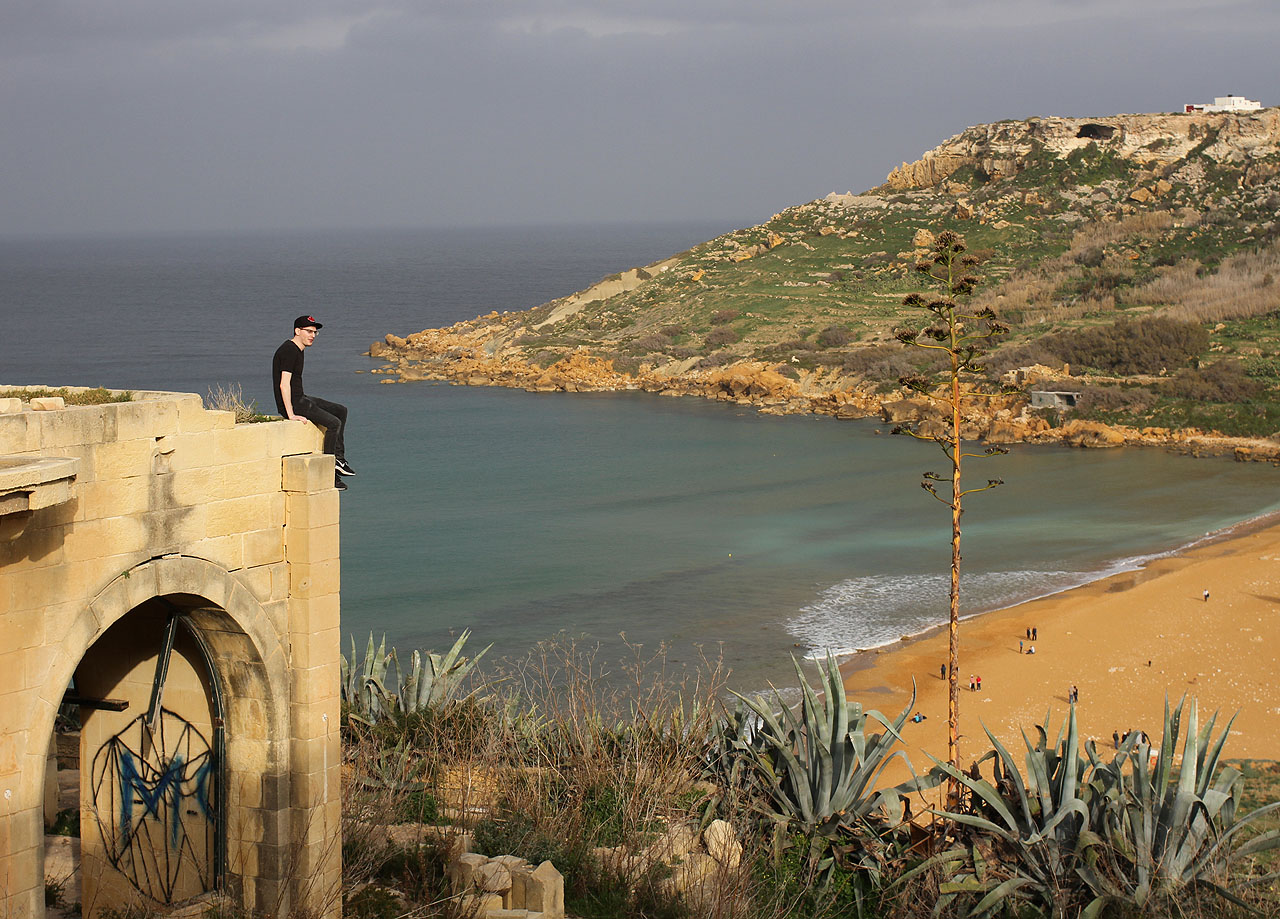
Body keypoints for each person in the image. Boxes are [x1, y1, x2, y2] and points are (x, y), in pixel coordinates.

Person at [273, 315, 356, 491]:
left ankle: (339, 459)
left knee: (341, 410)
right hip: (295, 403)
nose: (313, 335)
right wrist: (290, 414)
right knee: (334, 423)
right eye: (309, 331)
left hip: (301, 398)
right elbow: (283, 383)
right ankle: (330, 471)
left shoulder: (298, 349)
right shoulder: (289, 350)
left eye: (315, 332)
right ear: (297, 331)